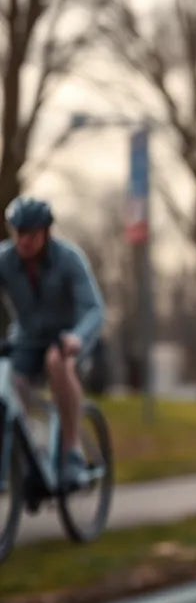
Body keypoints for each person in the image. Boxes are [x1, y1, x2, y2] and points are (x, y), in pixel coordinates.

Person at [0, 196, 104, 486]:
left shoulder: (69, 259)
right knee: (9, 381)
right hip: (27, 341)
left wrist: (77, 337)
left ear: (45, 232)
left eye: (31, 234)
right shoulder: (5, 261)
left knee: (57, 361)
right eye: (19, 233)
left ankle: (72, 452)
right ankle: (33, 450)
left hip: (67, 341)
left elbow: (94, 309)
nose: (24, 241)